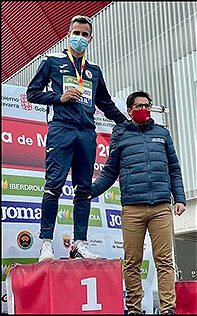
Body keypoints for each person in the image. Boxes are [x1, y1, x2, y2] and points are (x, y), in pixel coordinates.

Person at [28, 15, 128, 262]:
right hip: (61, 129)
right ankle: (46, 244)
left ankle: (80, 243)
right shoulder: (52, 62)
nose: (80, 38)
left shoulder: (93, 70)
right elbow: (32, 93)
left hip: (87, 133)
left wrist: (127, 124)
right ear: (68, 34)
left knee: (83, 190)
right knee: (53, 186)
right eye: (76, 33)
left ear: (90, 39)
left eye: (85, 35)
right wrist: (58, 98)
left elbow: (105, 103)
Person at [91, 91, 185, 315]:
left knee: (165, 261)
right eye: (140, 106)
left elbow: (174, 169)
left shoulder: (163, 134)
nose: (145, 109)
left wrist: (180, 198)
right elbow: (110, 171)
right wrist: (90, 191)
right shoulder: (120, 134)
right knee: (132, 262)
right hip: (132, 208)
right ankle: (133, 309)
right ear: (130, 110)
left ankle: (167, 309)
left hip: (161, 207)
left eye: (147, 105)